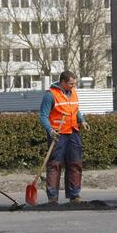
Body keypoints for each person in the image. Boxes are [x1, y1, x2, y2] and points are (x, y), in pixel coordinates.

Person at [39, 71, 90, 205]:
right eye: (71, 83)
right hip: (58, 134)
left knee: (75, 163)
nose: (73, 86)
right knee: (55, 164)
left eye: (74, 84)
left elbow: (75, 109)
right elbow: (43, 116)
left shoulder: (72, 92)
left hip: (73, 131)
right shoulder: (50, 95)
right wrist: (50, 130)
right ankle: (52, 197)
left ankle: (74, 195)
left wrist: (82, 120)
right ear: (63, 82)